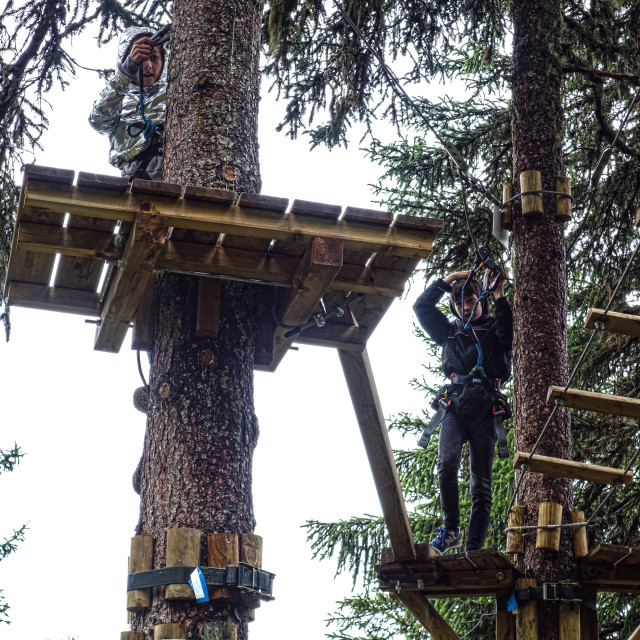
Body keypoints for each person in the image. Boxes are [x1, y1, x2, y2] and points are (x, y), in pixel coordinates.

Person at [413, 269, 512, 554]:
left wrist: (499, 294)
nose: (465, 307)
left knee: (480, 482)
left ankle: (473, 549)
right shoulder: (448, 331)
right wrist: (450, 279)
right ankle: (451, 530)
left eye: (470, 300)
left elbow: (510, 335)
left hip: (487, 408)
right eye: (459, 304)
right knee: (446, 464)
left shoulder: (496, 328)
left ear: (480, 298)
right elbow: (421, 306)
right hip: (454, 405)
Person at [89, 26, 167, 181]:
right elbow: (99, 122)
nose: (148, 66)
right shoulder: (118, 99)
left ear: (164, 60)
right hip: (133, 181)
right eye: (141, 60)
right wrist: (123, 74)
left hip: (177, 176)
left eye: (154, 57)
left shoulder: (175, 93)